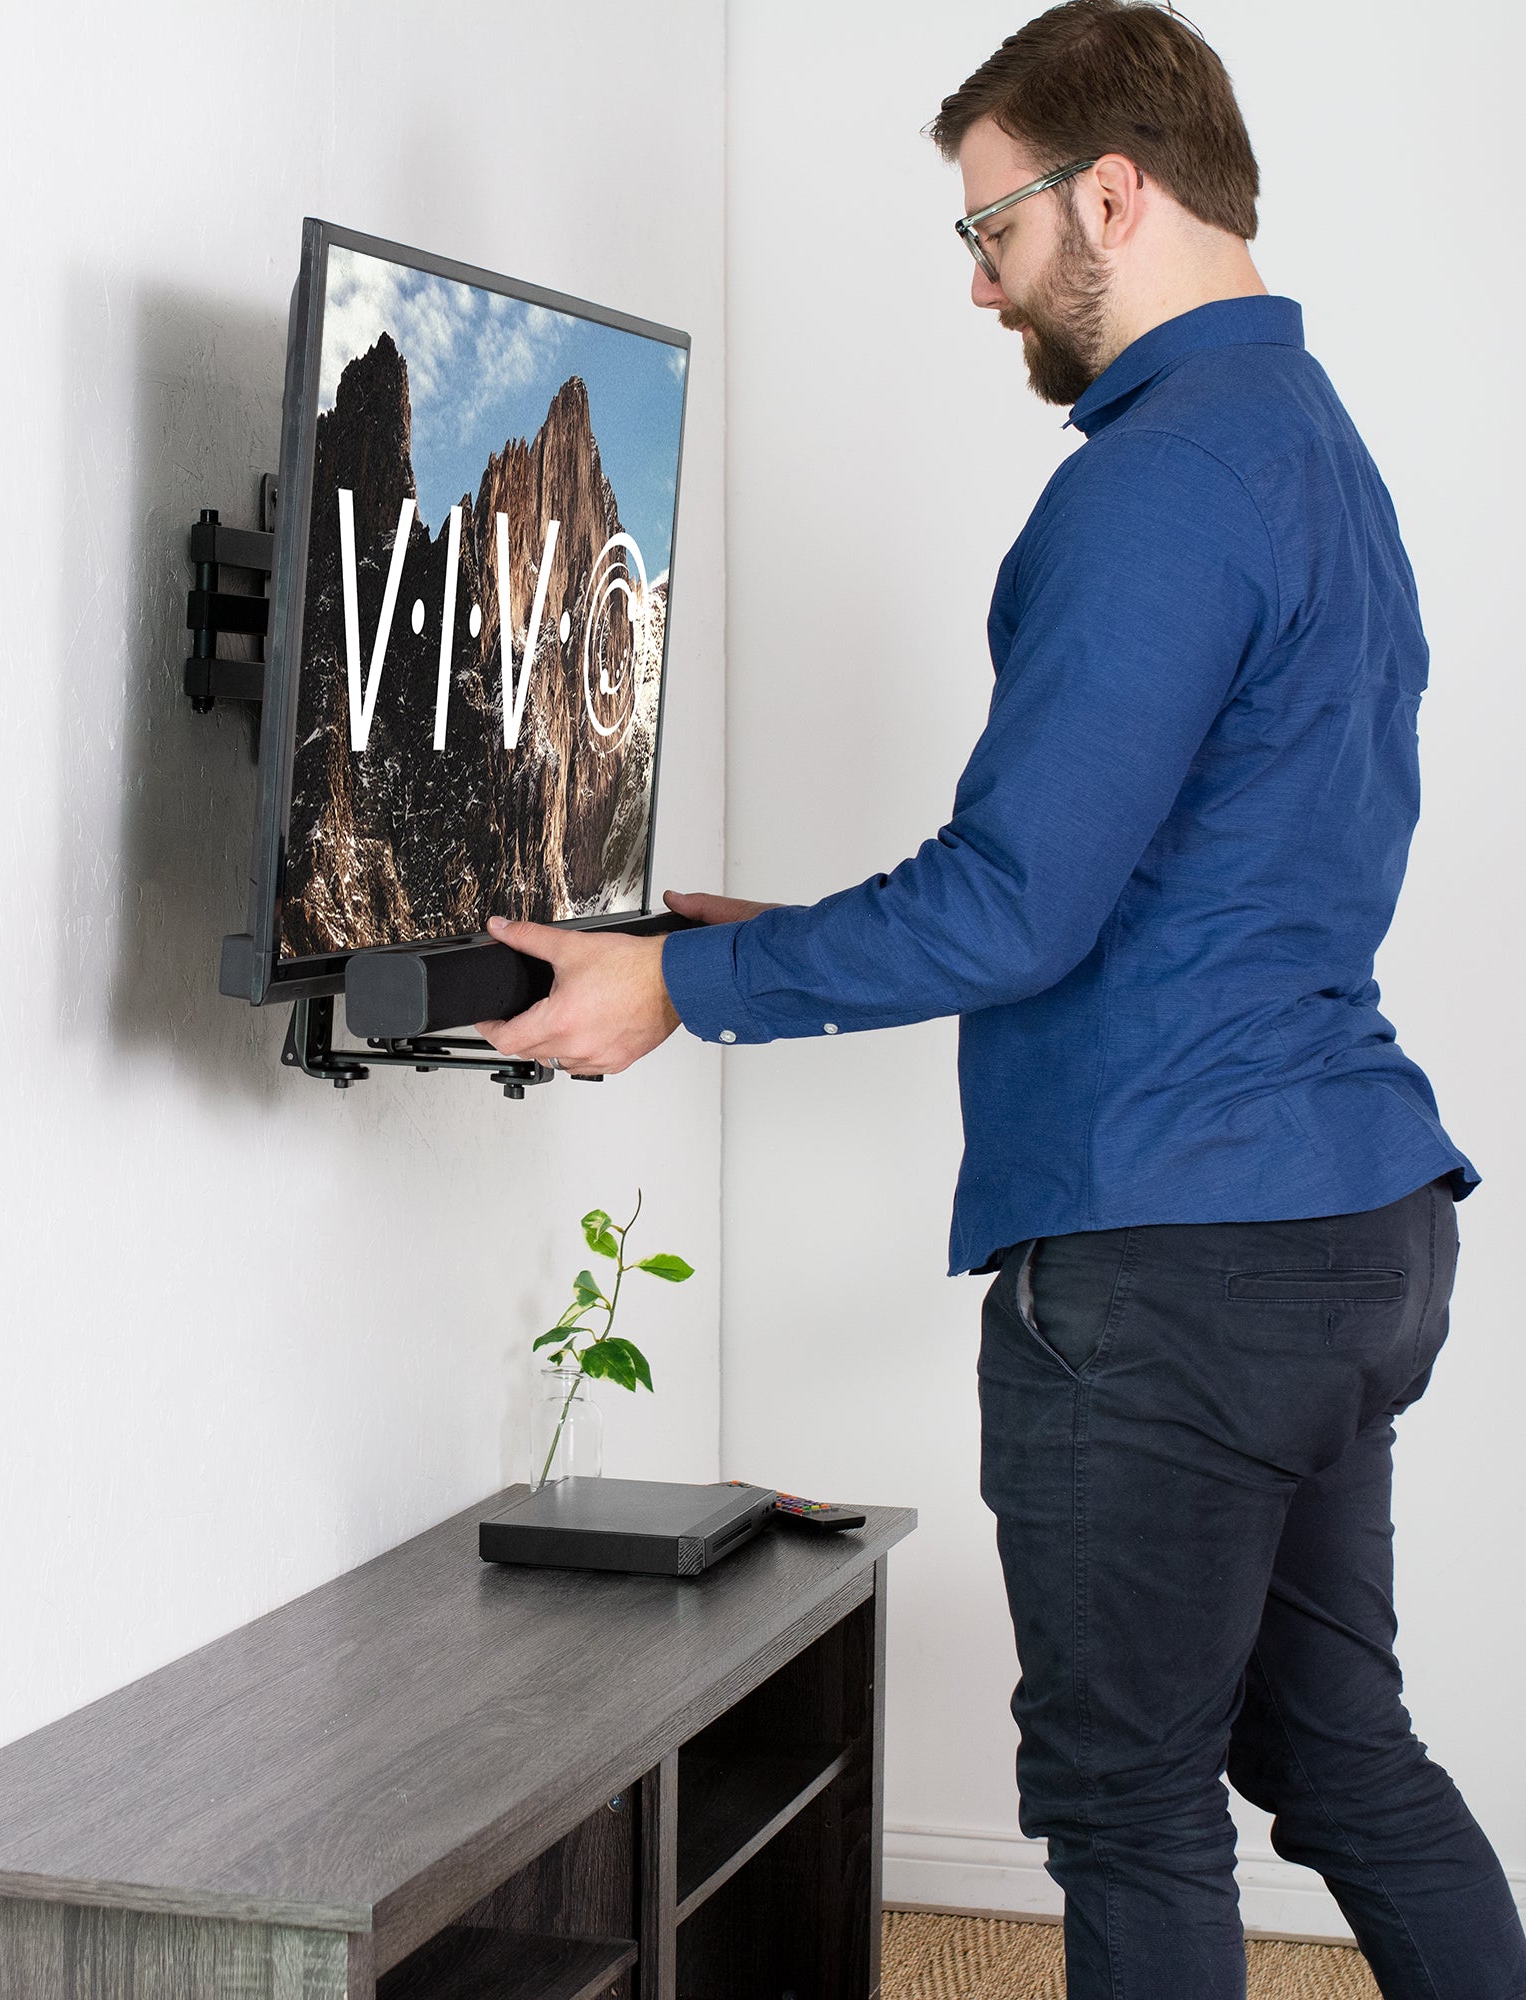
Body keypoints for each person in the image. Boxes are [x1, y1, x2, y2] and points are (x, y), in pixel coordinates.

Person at [474, 4, 1526, 1994]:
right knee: (1338, 1750)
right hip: (1344, 1225)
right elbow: (1180, 878)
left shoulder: (1155, 482)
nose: (977, 287)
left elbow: (1024, 908)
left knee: (1126, 1800)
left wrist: (684, 990)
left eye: (990, 230)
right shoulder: (1313, 454)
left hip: (1170, 1265)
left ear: (1107, 193)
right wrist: (733, 928)